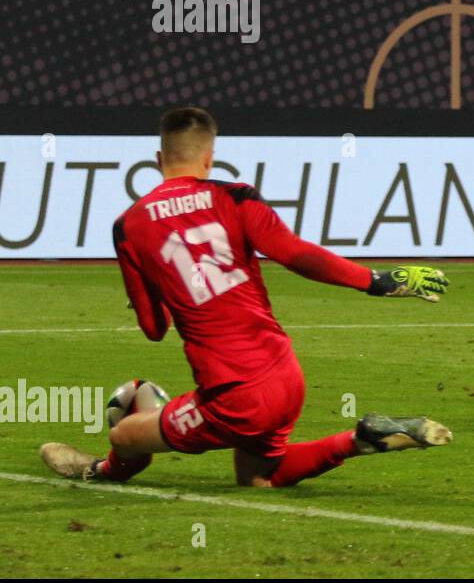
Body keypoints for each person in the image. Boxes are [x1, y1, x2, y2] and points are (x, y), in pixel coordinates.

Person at [39, 108, 452, 488]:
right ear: (209, 157)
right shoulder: (236, 196)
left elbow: (153, 328)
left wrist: (160, 294)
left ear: (158, 158)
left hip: (235, 395)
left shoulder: (129, 225)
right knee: (258, 477)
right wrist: (377, 280)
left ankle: (100, 471)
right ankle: (361, 438)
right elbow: (293, 253)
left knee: (123, 434)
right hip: (286, 376)